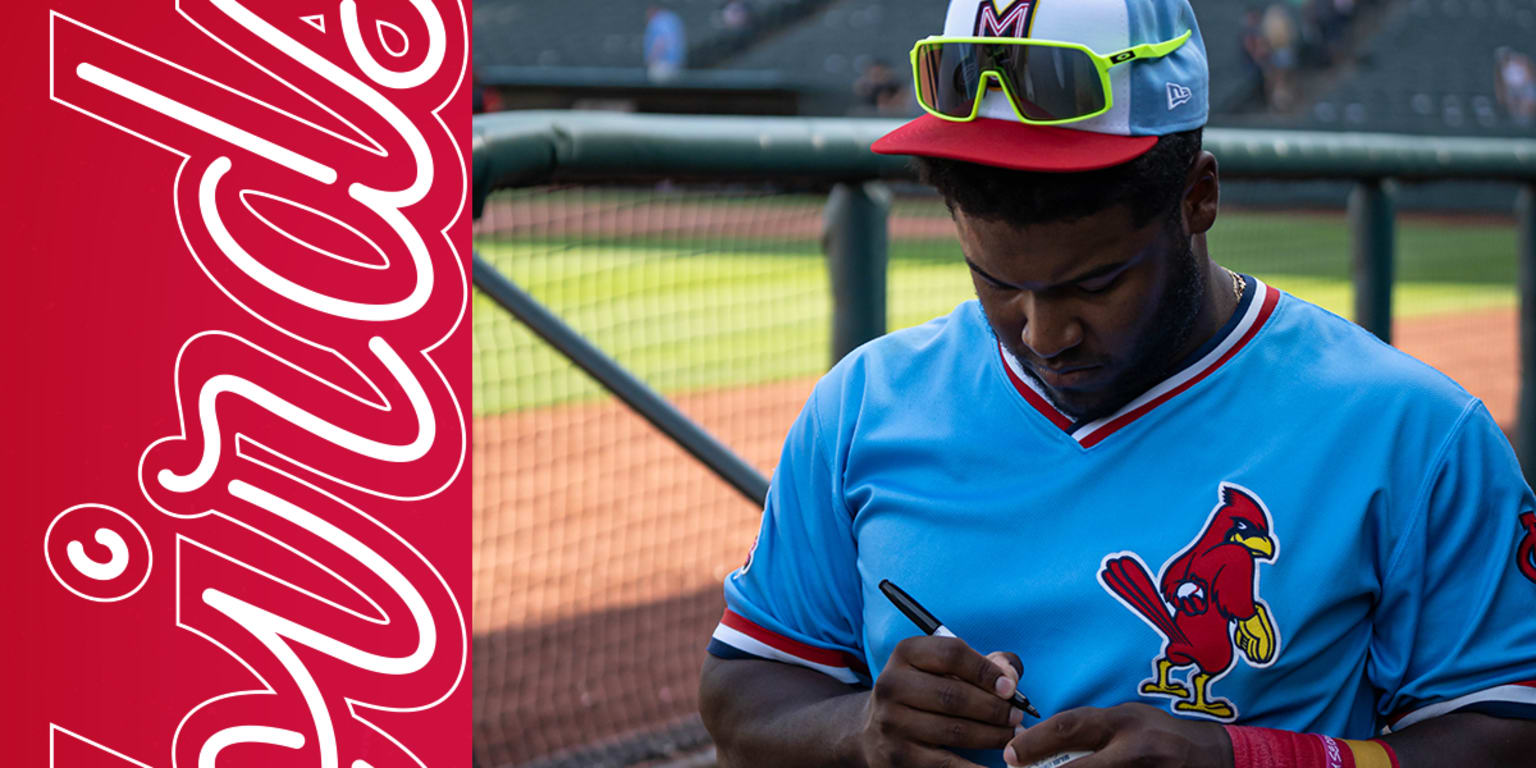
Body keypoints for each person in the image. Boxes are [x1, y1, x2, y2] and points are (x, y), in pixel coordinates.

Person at [698, 0, 1536, 766]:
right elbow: (746, 695)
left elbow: (1508, 734)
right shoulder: (862, 406)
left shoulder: (1414, 433)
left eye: (1094, 285)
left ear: (1198, 198)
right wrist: (866, 732)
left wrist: (1243, 760)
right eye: (994, 281)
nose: (1042, 334)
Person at [644, 4, 687, 81]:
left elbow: (661, 41)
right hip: (676, 64)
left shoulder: (658, 21)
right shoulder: (673, 18)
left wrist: (651, 58)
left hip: (661, 65)